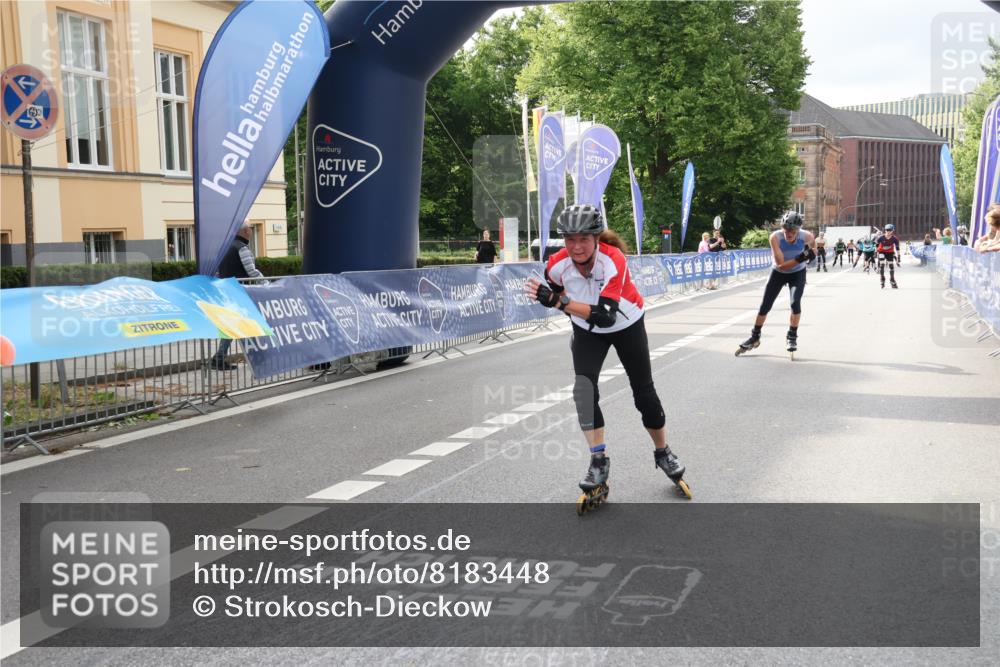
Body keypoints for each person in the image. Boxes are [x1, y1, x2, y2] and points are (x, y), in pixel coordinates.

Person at [524, 204, 691, 506]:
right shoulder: (555, 265)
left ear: (596, 238)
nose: (576, 246)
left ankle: (663, 451)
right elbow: (555, 290)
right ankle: (598, 461)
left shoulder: (612, 260)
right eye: (570, 239)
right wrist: (557, 301)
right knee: (583, 392)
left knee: (644, 393)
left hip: (625, 322)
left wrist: (560, 303)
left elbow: (605, 316)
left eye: (583, 239)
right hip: (586, 329)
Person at [736, 211, 815, 356]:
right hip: (778, 273)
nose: (789, 233)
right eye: (786, 229)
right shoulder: (775, 237)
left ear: (798, 230)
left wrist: (811, 256)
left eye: (792, 230)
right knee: (764, 306)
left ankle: (792, 336)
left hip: (798, 273)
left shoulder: (807, 236)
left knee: (795, 303)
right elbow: (782, 265)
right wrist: (801, 258)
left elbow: (813, 248)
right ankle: (755, 337)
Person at [208, 222, 264, 371]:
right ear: (245, 231)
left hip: (227, 291)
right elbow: (252, 271)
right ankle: (258, 356)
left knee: (234, 324)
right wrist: (268, 283)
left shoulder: (224, 248)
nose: (251, 232)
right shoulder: (242, 248)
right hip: (240, 292)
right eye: (251, 230)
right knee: (246, 323)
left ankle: (219, 357)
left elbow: (217, 272)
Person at [875, 224, 901, 289]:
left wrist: (898, 256)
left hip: (890, 252)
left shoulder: (894, 238)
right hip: (881, 251)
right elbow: (876, 244)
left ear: (892, 231)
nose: (888, 231)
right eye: (887, 230)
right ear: (885, 230)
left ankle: (892, 279)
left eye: (890, 230)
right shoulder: (881, 237)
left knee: (891, 266)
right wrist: (875, 252)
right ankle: (882, 279)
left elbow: (897, 247)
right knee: (882, 264)